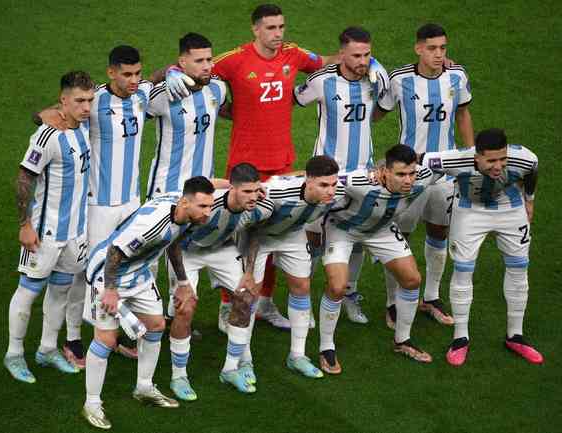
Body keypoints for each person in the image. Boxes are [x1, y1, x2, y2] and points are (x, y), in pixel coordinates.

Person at [166, 4, 347, 330]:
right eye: (270, 28)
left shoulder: (293, 54)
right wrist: (171, 73)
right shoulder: (235, 59)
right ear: (255, 30)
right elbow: (200, 72)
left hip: (282, 164)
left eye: (281, 27)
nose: (277, 34)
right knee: (239, 237)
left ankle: (264, 302)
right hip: (246, 167)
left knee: (276, 234)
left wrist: (360, 60)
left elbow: (325, 61)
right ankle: (228, 306)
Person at [38, 45, 155, 362]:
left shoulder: (143, 95)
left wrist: (170, 71)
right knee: (84, 272)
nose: (133, 80)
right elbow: (51, 114)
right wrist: (44, 116)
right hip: (98, 205)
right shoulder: (96, 100)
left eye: (137, 73)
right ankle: (74, 338)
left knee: (127, 267)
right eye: (126, 74)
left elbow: (157, 80)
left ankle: (113, 334)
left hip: (131, 202)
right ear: (111, 73)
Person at [81, 177, 215, 429]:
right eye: (204, 207)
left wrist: (184, 281)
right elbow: (115, 252)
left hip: (139, 272)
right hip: (108, 274)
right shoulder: (150, 225)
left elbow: (172, 241)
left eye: (210, 206)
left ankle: (144, 387)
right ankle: (91, 403)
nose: (208, 212)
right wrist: (110, 290)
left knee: (155, 326)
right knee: (106, 340)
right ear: (185, 202)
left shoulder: (187, 211)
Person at [376, 23, 474, 328]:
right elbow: (377, 113)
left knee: (438, 232)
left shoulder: (456, 76)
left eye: (442, 48)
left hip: (445, 173)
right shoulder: (399, 79)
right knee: (400, 236)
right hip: (411, 175)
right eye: (431, 48)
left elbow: (463, 114)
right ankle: (392, 302)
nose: (438, 54)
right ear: (418, 48)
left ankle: (431, 296)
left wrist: (469, 158)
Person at [420, 128, 543, 366]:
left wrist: (529, 200)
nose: (498, 166)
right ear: (477, 156)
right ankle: (460, 338)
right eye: (491, 160)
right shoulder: (455, 158)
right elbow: (420, 159)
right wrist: (381, 171)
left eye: (502, 159)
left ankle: (515, 336)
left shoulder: (525, 157)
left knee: (519, 269)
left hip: (510, 207)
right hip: (469, 209)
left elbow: (532, 171)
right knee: (463, 269)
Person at [294, 26, 390, 324]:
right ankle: (303, 302)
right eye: (356, 55)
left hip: (363, 173)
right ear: (342, 54)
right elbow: (293, 101)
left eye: (367, 55)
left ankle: (349, 292)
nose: (363, 61)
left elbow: (382, 110)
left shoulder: (376, 80)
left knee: (357, 236)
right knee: (312, 237)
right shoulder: (322, 81)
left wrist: (378, 73)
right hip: (325, 174)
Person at [4, 71, 95, 383]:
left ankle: (46, 349)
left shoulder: (85, 129)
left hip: (76, 232)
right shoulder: (47, 136)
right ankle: (14, 354)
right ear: (63, 101)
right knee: (28, 291)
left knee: (61, 289)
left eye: (90, 100)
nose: (86, 107)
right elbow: (23, 179)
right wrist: (25, 224)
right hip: (45, 232)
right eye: (79, 101)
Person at [319, 144, 442, 374]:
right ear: (384, 171)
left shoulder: (424, 177)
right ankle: (326, 348)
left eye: (411, 173)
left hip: (382, 230)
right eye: (401, 174)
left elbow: (459, 159)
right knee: (337, 287)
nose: (408, 180)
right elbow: (318, 179)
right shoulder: (359, 181)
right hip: (343, 230)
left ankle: (402, 341)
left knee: (412, 279)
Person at [166, 163, 274, 399]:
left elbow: (255, 231)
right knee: (185, 308)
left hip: (221, 248)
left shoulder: (261, 206)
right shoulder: (208, 204)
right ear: (232, 189)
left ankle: (231, 368)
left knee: (246, 297)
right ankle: (178, 376)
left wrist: (249, 271)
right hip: (186, 250)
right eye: (245, 191)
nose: (252, 197)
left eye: (255, 190)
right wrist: (183, 282)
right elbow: (172, 239)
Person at [247, 155, 343, 380]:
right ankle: (243, 359)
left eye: (333, 184)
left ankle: (297, 355)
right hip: (258, 236)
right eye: (323, 185)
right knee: (250, 293)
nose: (330, 191)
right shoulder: (275, 192)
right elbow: (248, 206)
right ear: (308, 182)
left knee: (301, 286)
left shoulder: (336, 191)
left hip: (292, 234)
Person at [145, 33, 227, 198]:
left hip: (205, 187)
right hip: (168, 189)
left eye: (209, 60)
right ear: (182, 62)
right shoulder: (165, 93)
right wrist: (167, 71)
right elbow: (134, 106)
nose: (207, 66)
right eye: (199, 61)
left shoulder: (218, 88)